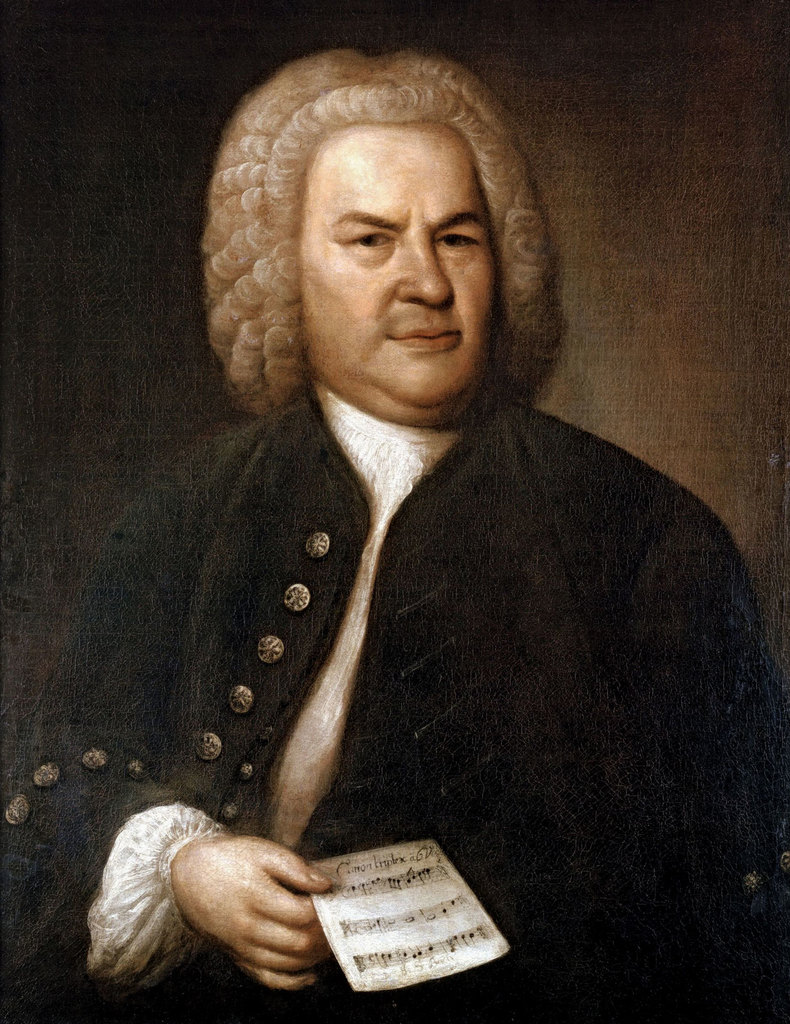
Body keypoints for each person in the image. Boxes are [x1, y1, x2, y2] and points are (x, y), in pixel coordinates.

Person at [2, 49, 787, 1024]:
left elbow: (728, 898)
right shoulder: (185, 516)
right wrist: (182, 868)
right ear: (285, 269)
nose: (426, 282)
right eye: (372, 240)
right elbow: (54, 789)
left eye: (456, 237)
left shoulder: (644, 537)